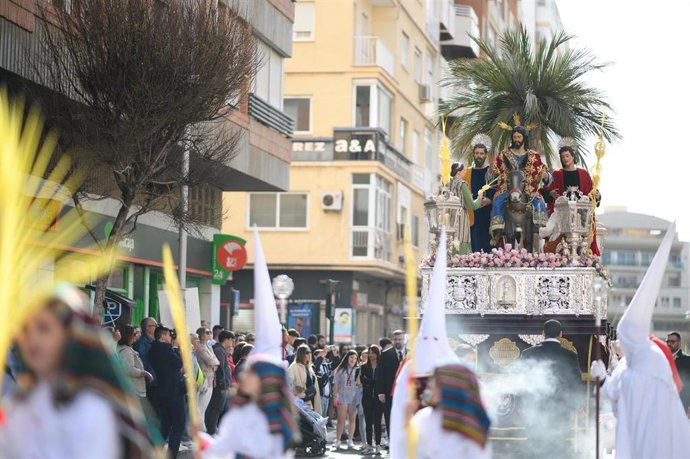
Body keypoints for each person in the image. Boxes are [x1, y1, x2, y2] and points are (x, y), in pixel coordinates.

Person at [0, 284, 160, 458]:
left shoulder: (90, 409)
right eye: (25, 329)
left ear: (72, 336)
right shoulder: (18, 401)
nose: (32, 339)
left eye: (44, 328)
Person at [589, 222, 690, 458]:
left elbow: (626, 391)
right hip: (634, 436)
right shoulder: (631, 361)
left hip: (653, 438)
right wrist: (602, 377)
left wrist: (605, 381)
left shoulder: (651, 360)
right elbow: (614, 392)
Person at [197, 355, 299, 459]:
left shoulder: (277, 421)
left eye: (250, 373)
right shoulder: (239, 412)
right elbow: (223, 448)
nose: (242, 375)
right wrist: (201, 440)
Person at [519, 319, 581, 458]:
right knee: (559, 444)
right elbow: (575, 383)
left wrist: (522, 405)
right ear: (561, 334)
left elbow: (522, 381)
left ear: (543, 333)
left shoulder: (528, 353)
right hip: (561, 408)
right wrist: (578, 406)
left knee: (534, 445)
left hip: (534, 407)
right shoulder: (570, 355)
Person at [406, 363, 491, 459]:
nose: (430, 386)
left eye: (436, 382)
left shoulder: (472, 426)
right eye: (432, 380)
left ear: (453, 388)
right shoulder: (423, 417)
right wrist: (406, 426)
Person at [489, 119, 550, 245]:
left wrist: (544, 175)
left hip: (528, 187)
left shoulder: (533, 155)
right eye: (515, 137)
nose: (516, 139)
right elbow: (495, 170)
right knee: (497, 201)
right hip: (508, 186)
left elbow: (542, 171)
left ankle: (542, 229)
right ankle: (498, 230)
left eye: (519, 136)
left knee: (540, 203)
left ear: (524, 138)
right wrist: (491, 171)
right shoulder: (504, 154)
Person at [546, 144, 601, 255]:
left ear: (572, 157)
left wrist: (597, 195)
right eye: (562, 157)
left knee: (582, 241)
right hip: (564, 215)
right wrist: (550, 194)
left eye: (567, 156)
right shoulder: (557, 175)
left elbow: (591, 192)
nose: (565, 159)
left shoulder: (583, 174)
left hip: (581, 214)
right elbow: (549, 192)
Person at [149, 325, 185, 458]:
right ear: (163, 336)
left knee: (165, 425)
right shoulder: (165, 348)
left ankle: (155, 452)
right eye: (169, 335)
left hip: (162, 391)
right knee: (179, 424)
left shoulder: (152, 350)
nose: (171, 338)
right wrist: (175, 348)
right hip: (174, 391)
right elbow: (179, 363)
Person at [463, 141, 495, 253]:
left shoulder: (490, 172)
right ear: (473, 154)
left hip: (488, 212)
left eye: (482, 153)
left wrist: (490, 200)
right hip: (472, 212)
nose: (479, 156)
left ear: (485, 155)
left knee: (488, 244)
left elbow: (496, 188)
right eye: (477, 153)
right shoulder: (467, 172)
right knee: (474, 242)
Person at [448, 163, 485, 255]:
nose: (465, 172)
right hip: (461, 219)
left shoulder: (449, 184)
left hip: (450, 218)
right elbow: (471, 205)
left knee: (451, 242)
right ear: (459, 172)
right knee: (462, 241)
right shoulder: (462, 184)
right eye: (463, 170)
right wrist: (479, 198)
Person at [205, 330, 234, 436]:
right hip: (221, 387)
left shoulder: (221, 350)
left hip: (224, 386)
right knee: (216, 408)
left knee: (223, 410)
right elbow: (220, 369)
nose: (232, 343)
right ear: (226, 340)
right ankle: (211, 431)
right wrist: (222, 384)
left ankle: (218, 431)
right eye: (231, 340)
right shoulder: (219, 350)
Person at [332, 349, 360, 450]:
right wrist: (335, 396)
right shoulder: (341, 369)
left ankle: (350, 440)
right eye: (351, 357)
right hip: (342, 396)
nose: (353, 359)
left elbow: (360, 384)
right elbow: (335, 384)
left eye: (355, 358)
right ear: (347, 358)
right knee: (341, 419)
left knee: (352, 419)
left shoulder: (358, 369)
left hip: (354, 397)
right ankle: (338, 440)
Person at [117, 324, 153, 402]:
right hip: (133, 390)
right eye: (134, 334)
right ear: (127, 335)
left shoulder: (127, 349)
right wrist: (145, 373)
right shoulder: (126, 351)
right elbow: (129, 369)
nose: (136, 336)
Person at [195, 327, 220, 432]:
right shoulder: (201, 348)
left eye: (210, 332)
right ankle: (200, 432)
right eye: (207, 332)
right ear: (201, 334)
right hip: (204, 380)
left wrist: (214, 363)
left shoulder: (209, 346)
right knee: (200, 408)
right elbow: (211, 361)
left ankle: (200, 432)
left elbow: (217, 362)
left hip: (210, 379)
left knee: (203, 408)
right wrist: (213, 363)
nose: (210, 334)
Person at [360, 345, 383, 455]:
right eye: (370, 353)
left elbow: (381, 381)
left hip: (379, 398)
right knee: (368, 422)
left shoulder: (382, 367)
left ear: (377, 354)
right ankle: (369, 445)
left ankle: (378, 444)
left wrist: (370, 381)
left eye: (373, 353)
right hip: (367, 398)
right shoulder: (364, 367)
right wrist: (374, 381)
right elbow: (363, 381)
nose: (371, 355)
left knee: (377, 422)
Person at [376, 337, 399, 442]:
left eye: (401, 339)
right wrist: (380, 392)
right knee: (389, 415)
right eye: (397, 339)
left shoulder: (410, 352)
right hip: (389, 391)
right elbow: (381, 374)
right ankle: (391, 439)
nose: (398, 341)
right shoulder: (385, 354)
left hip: (406, 391)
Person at [287, 344, 322, 414]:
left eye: (310, 352)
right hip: (300, 404)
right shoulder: (294, 366)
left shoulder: (309, 367)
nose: (309, 354)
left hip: (311, 401)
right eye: (307, 353)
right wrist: (297, 392)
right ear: (301, 354)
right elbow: (288, 383)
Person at [136, 317, 158, 407]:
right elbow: (144, 363)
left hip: (155, 381)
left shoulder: (153, 341)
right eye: (155, 326)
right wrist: (150, 379)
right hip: (150, 383)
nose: (157, 328)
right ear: (147, 328)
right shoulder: (143, 343)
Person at [667, 331, 690, 413]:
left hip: (682, 405)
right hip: (666, 404)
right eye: (668, 341)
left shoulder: (687, 360)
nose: (669, 344)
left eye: (672, 341)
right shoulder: (662, 359)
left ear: (679, 343)